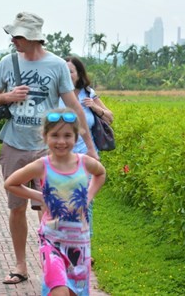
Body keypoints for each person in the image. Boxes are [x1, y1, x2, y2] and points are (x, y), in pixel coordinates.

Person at [0, 12, 98, 284]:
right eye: (13, 35)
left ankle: (52, 260)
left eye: (18, 36)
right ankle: (21, 265)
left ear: (33, 37)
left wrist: (90, 146)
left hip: (47, 150)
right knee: (16, 207)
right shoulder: (7, 62)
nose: (13, 40)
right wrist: (7, 97)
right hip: (14, 144)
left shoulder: (57, 65)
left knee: (49, 207)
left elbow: (72, 104)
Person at [4, 108, 106, 296]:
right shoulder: (42, 165)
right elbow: (11, 183)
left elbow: (101, 174)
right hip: (52, 242)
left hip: (79, 243)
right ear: (45, 137)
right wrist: (41, 197)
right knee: (59, 289)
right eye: (55, 135)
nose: (61, 141)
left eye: (67, 135)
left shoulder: (84, 162)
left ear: (76, 138)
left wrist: (88, 196)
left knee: (75, 292)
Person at [59, 56, 113, 242]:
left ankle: (85, 242)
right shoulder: (55, 93)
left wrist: (95, 108)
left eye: (71, 71)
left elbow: (110, 117)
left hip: (87, 155)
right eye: (64, 71)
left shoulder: (88, 93)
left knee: (85, 199)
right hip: (61, 157)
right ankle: (67, 239)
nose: (68, 75)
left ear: (79, 74)